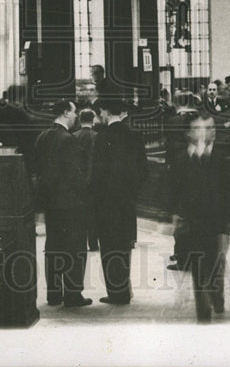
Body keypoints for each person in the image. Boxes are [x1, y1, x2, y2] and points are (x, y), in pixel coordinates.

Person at [169, 112, 230, 323]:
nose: (207, 131)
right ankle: (203, 313)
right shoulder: (181, 159)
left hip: (217, 223)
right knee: (198, 268)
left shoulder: (221, 157)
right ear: (188, 133)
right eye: (199, 128)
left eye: (210, 127)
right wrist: (173, 214)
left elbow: (228, 190)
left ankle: (217, 297)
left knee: (215, 264)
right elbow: (174, 189)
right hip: (193, 223)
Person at [33, 100, 92, 308]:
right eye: (74, 112)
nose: (76, 116)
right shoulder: (67, 140)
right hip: (71, 204)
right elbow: (75, 175)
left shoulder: (43, 136)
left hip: (51, 203)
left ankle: (54, 293)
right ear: (66, 113)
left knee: (53, 247)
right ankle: (73, 294)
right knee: (74, 249)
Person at [90, 97, 147, 305]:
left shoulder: (101, 137)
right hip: (127, 202)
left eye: (101, 112)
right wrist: (132, 192)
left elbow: (96, 174)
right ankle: (125, 289)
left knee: (109, 246)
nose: (100, 116)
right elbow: (143, 170)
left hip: (106, 203)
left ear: (105, 111)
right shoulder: (134, 136)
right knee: (124, 244)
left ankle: (116, 293)